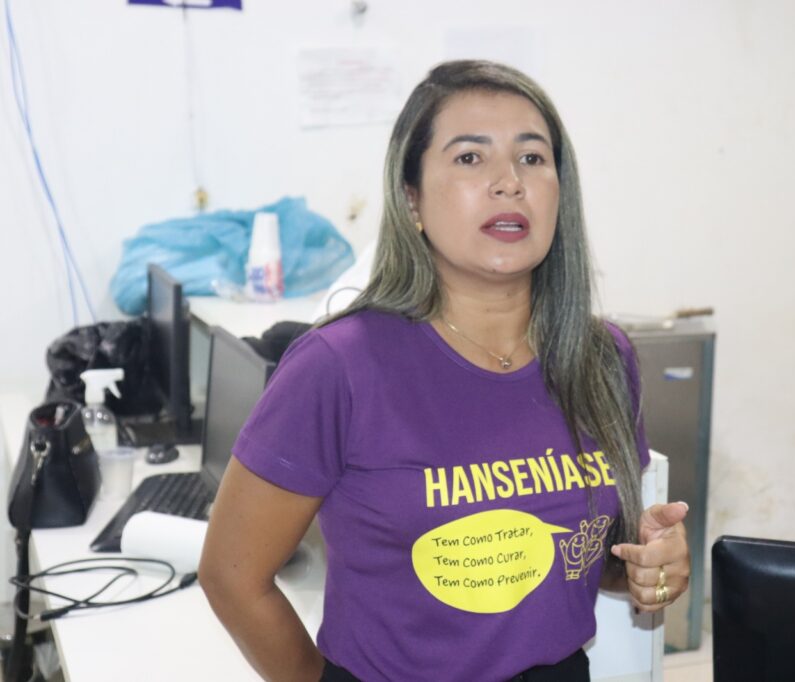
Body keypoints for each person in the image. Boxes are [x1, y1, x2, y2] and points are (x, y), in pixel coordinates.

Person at [198, 59, 691, 682]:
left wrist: (649, 563)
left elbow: (589, 555)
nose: (509, 182)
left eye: (532, 158)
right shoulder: (337, 367)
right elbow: (232, 576)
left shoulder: (601, 359)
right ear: (412, 200)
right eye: (470, 158)